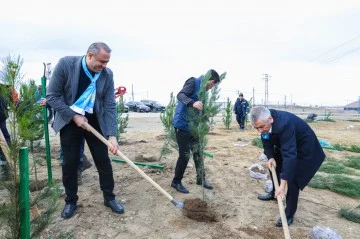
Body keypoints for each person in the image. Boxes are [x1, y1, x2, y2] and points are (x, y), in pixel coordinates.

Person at [46, 42, 124, 219]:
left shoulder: (106, 74)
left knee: (103, 161)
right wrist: (74, 116)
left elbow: (110, 105)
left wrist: (112, 135)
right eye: (101, 62)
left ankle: (109, 198)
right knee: (70, 163)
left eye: (107, 62)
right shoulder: (66, 65)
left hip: (94, 121)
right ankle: (71, 201)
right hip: (69, 120)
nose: (104, 66)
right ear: (89, 55)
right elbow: (52, 97)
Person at [250, 106, 325, 227]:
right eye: (256, 128)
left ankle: (289, 214)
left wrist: (283, 185)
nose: (259, 130)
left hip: (305, 149)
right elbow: (265, 139)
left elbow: (290, 155)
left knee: (293, 179)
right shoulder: (264, 123)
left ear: (271, 120)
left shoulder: (284, 124)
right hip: (287, 145)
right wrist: (270, 157)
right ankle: (274, 192)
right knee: (275, 164)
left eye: (261, 127)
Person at [171, 69, 220, 193]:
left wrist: (206, 120)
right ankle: (176, 182)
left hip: (193, 127)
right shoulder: (193, 82)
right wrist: (192, 103)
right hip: (182, 124)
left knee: (198, 153)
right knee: (185, 155)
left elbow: (201, 108)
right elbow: (180, 95)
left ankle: (201, 179)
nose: (213, 88)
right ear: (212, 81)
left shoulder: (203, 91)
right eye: (214, 85)